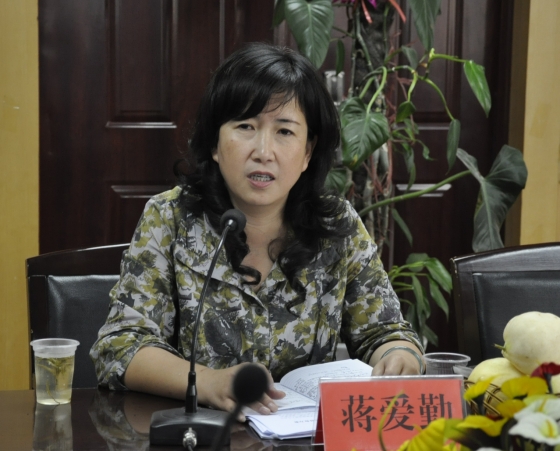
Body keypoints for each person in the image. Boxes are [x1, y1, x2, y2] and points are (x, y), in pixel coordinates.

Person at [90, 42, 424, 421]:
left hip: (303, 437)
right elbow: (120, 346)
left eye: (284, 131)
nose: (263, 151)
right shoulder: (171, 218)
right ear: (215, 144)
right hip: (203, 436)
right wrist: (209, 382)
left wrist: (400, 355)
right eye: (246, 127)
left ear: (308, 152)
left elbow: (384, 331)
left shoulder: (337, 227)